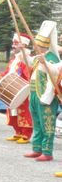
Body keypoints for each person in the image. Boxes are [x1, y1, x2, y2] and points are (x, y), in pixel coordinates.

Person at [24, 21, 58, 162]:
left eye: (38, 46)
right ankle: (36, 149)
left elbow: (55, 73)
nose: (35, 47)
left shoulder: (52, 57)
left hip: (45, 96)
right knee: (37, 123)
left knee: (47, 124)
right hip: (33, 94)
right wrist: (22, 50)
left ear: (45, 46)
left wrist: (45, 63)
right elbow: (29, 62)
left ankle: (47, 151)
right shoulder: (39, 57)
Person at [0, 34, 32, 143]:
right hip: (12, 90)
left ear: (23, 45)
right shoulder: (14, 60)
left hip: (22, 90)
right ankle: (18, 132)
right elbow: (8, 72)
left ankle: (26, 134)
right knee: (13, 112)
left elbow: (29, 75)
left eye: (15, 44)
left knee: (24, 112)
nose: (13, 46)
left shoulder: (27, 59)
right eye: (13, 44)